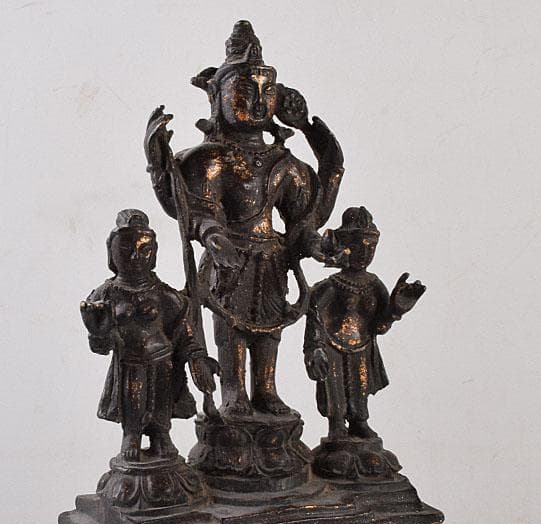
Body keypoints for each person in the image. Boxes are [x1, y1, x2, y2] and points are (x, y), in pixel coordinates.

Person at [145, 20, 344, 417]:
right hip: (228, 258)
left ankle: (266, 389)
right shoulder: (210, 160)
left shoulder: (285, 164)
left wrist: (313, 243)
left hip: (272, 258)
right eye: (244, 92)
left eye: (266, 93)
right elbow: (194, 211)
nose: (256, 103)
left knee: (270, 329)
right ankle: (233, 391)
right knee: (231, 330)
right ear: (217, 97)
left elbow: (303, 220)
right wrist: (211, 234)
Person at [80, 210, 217, 461]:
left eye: (144, 250)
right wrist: (98, 334)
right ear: (111, 252)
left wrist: (197, 358)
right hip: (129, 362)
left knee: (161, 402)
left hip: (162, 359)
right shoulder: (106, 293)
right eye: (126, 250)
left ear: (154, 254)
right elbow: (101, 345)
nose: (135, 257)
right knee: (132, 400)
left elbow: (185, 333)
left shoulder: (162, 293)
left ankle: (161, 435)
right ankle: (131, 435)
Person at [304, 207, 426, 440]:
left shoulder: (374, 284)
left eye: (371, 248)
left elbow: (379, 327)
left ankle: (359, 421)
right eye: (358, 246)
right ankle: (336, 425)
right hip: (332, 345)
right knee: (334, 386)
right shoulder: (332, 285)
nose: (365, 254)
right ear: (343, 246)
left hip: (363, 345)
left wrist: (397, 310)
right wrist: (315, 347)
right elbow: (314, 315)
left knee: (359, 385)